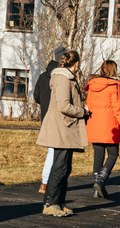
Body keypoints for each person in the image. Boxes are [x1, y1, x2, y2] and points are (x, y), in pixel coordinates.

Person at [36, 50, 88, 217]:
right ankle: (50, 203)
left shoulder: (66, 77)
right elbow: (64, 106)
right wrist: (83, 111)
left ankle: (59, 202)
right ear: (76, 63)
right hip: (62, 128)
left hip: (65, 128)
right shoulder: (63, 79)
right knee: (60, 167)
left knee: (65, 167)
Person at [84, 60, 120, 199]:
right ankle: (101, 180)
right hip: (110, 125)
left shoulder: (92, 85)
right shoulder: (114, 86)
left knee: (98, 156)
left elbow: (88, 105)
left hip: (94, 124)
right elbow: (118, 109)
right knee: (113, 154)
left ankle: (97, 189)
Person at [32, 45, 67, 194]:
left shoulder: (42, 76)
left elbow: (36, 97)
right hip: (58, 119)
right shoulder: (62, 77)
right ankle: (46, 183)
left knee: (52, 151)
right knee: (55, 153)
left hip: (45, 118)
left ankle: (47, 182)